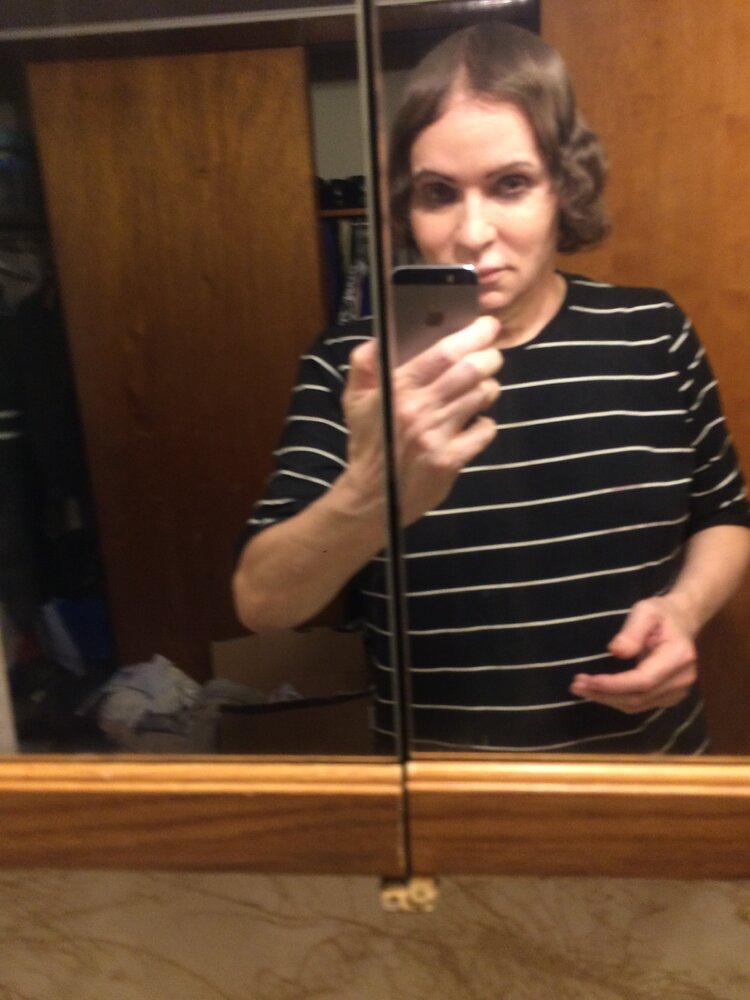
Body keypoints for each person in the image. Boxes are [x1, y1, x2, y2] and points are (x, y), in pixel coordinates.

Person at [233, 23, 750, 753]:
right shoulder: (357, 367)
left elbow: (724, 515)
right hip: (441, 800)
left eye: (510, 184)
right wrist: (373, 492)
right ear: (408, 207)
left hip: (650, 778)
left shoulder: (652, 332)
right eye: (438, 193)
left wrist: (687, 611)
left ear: (563, 185)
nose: (473, 232)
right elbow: (263, 604)